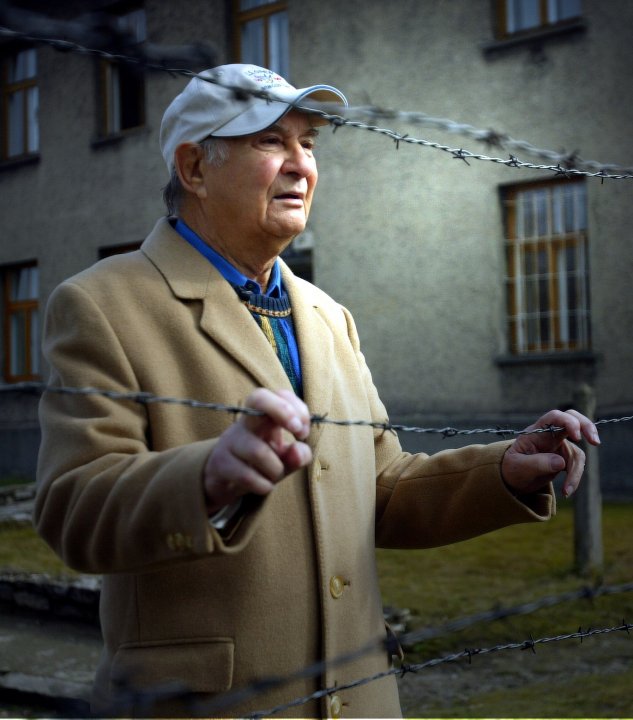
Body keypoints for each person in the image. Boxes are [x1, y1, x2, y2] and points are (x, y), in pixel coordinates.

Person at [34, 64, 600, 719]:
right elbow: (72, 510)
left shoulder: (328, 316)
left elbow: (379, 488)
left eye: (309, 143)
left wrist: (502, 470)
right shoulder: (102, 304)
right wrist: (205, 481)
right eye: (270, 141)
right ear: (193, 169)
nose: (301, 164)